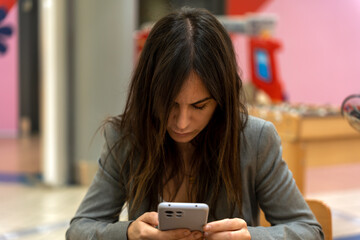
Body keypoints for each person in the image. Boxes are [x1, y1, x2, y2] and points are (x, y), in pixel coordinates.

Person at [66, 7, 323, 240]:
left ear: (222, 99)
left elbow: (308, 230)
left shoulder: (255, 139)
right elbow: (79, 229)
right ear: (148, 93)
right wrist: (129, 233)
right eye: (168, 104)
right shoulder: (127, 137)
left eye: (199, 106)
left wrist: (250, 238)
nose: (182, 122)